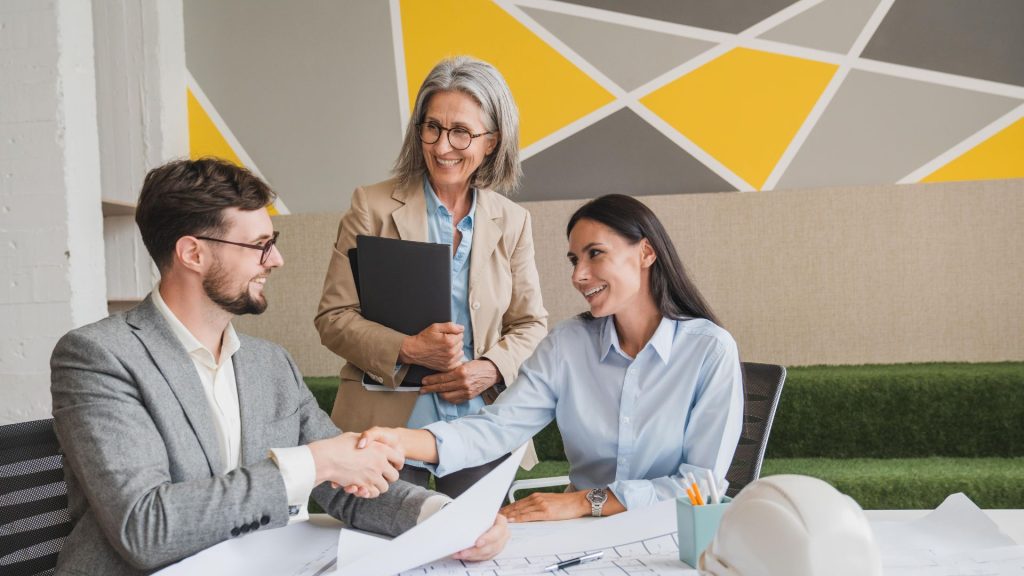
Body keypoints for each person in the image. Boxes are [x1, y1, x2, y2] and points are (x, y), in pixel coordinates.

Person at [49, 158, 507, 576]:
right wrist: (312, 462)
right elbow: (146, 528)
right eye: (259, 245)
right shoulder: (98, 357)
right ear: (193, 253)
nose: (276, 260)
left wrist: (444, 518)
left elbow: (346, 481)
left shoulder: (269, 364)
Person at [358, 194, 745, 522]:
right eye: (574, 260)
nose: (579, 275)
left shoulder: (709, 349)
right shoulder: (568, 344)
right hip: (582, 535)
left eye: (595, 255)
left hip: (668, 536)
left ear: (645, 252)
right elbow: (498, 428)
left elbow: (699, 486)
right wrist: (396, 439)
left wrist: (584, 501)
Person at [315, 56, 547, 497]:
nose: (443, 146)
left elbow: (531, 325)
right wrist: (408, 348)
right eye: (432, 128)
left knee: (478, 551)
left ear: (492, 141)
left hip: (481, 423)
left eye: (461, 131)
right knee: (388, 552)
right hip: (383, 424)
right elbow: (333, 317)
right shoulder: (372, 206)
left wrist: (489, 368)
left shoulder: (513, 221)